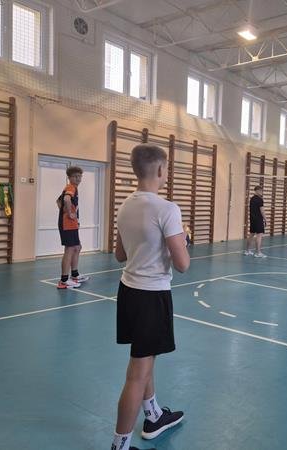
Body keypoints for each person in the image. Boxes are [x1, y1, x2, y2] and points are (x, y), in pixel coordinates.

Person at [112, 144, 190, 450]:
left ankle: (154, 415)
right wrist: (183, 238)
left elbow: (119, 254)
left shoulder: (125, 206)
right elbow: (182, 264)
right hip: (151, 297)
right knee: (137, 374)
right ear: (160, 169)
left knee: (144, 359)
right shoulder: (167, 209)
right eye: (166, 168)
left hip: (128, 292)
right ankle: (119, 445)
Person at [56, 166, 89, 289]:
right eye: (75, 176)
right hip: (67, 224)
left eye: (80, 176)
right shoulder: (70, 187)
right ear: (69, 177)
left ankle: (75, 275)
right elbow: (66, 199)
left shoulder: (73, 188)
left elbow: (58, 201)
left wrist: (66, 212)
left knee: (77, 247)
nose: (78, 179)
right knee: (69, 249)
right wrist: (69, 214)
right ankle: (64, 281)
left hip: (72, 224)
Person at [244, 185, 268, 258]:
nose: (262, 192)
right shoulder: (260, 199)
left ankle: (247, 251)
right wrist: (265, 219)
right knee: (259, 236)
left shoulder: (252, 199)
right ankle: (258, 253)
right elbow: (262, 211)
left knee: (251, 235)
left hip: (252, 220)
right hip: (258, 220)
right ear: (257, 191)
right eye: (261, 190)